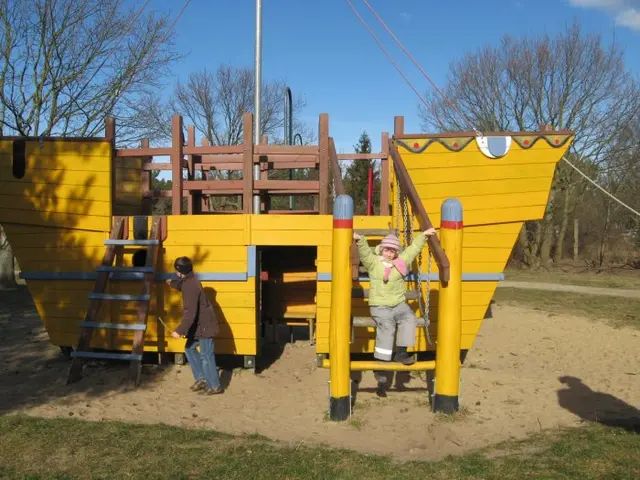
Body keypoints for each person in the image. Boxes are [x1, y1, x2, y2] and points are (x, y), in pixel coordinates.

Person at [353, 228, 437, 366]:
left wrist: (423, 236)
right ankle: (381, 360)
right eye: (387, 250)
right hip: (380, 305)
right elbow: (365, 253)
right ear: (381, 250)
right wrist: (360, 240)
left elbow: (412, 250)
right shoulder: (374, 263)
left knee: (409, 318)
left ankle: (401, 353)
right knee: (387, 326)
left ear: (396, 253)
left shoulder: (400, 263)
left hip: (398, 303)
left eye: (393, 251)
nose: (389, 254)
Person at [167, 256, 223, 395]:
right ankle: (202, 378)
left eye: (176, 270)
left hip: (204, 326)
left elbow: (190, 314)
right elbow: (182, 284)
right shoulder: (190, 280)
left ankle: (215, 386)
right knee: (190, 349)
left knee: (206, 355)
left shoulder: (191, 286)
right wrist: (171, 283)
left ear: (179, 271)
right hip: (199, 325)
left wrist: (179, 331)